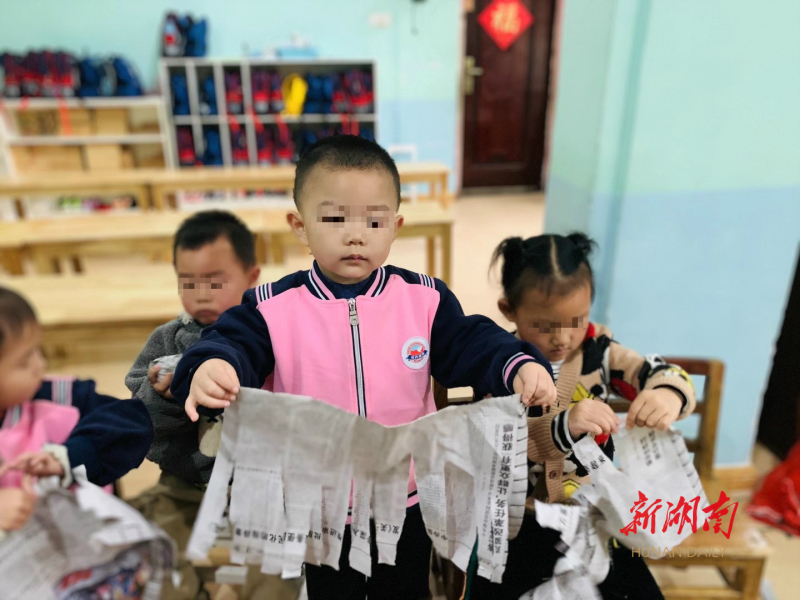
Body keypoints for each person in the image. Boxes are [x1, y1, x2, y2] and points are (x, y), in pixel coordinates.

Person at [170, 135, 558, 600]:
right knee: (333, 593)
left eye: (374, 221)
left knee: (406, 590)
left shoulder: (423, 299)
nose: (356, 235)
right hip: (321, 504)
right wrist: (212, 365)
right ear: (300, 226)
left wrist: (516, 363)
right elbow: (231, 342)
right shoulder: (272, 307)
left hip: (408, 496)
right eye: (335, 218)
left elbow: (473, 342)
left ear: (395, 226)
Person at [466, 233, 697, 599]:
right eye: (546, 326)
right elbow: (494, 445)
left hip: (594, 516)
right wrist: (564, 426)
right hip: (519, 522)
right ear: (509, 309)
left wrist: (667, 393)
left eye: (578, 320)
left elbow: (660, 372)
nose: (563, 338)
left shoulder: (598, 352)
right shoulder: (503, 364)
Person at [126, 211, 302, 599]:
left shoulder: (271, 335)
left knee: (271, 578)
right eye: (187, 282)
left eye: (214, 281)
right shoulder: (167, 341)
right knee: (164, 572)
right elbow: (141, 421)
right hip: (184, 485)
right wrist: (164, 396)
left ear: (252, 277)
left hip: (263, 492)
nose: (201, 293)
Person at [0, 286, 152, 537]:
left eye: (39, 350)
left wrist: (66, 458)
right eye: (24, 361)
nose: (40, 364)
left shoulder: (62, 397)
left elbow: (133, 422)